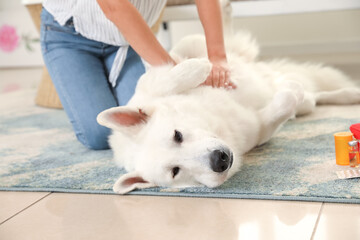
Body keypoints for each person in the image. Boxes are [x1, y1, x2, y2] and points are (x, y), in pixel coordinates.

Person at [40, 0, 233, 150]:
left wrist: (217, 56)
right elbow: (113, 7)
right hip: (69, 36)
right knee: (100, 135)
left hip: (127, 43)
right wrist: (177, 75)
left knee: (150, 119)